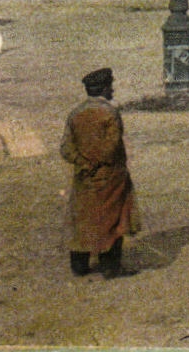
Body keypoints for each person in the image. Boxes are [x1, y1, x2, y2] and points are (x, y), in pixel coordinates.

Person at [61, 68, 139, 278]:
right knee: (112, 219)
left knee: (83, 218)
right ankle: (110, 266)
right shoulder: (110, 113)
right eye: (110, 86)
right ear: (104, 89)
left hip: (84, 177)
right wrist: (96, 163)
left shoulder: (75, 114)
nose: (112, 89)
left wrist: (84, 164)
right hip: (110, 176)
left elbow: (66, 149)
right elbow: (112, 146)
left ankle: (79, 265)